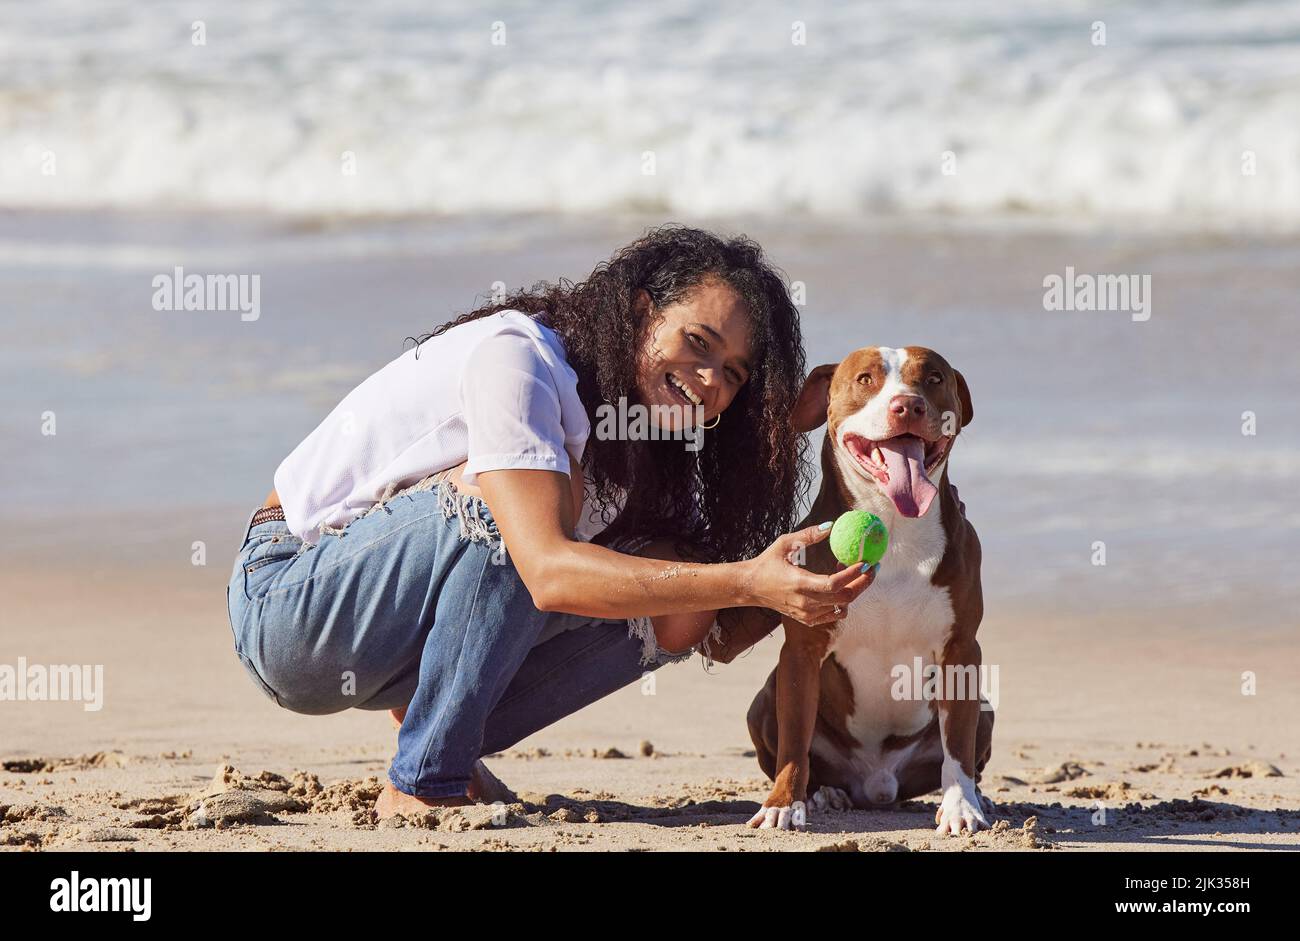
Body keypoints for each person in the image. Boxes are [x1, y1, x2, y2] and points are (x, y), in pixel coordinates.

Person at [224, 226, 876, 817]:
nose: (709, 380)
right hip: (292, 603)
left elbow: (714, 629)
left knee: (683, 592)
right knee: (513, 516)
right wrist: (745, 581)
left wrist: (811, 580)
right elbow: (544, 570)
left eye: (732, 373)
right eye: (697, 342)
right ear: (641, 311)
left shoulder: (648, 444)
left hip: (388, 644)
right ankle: (426, 776)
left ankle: (441, 720)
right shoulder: (520, 360)